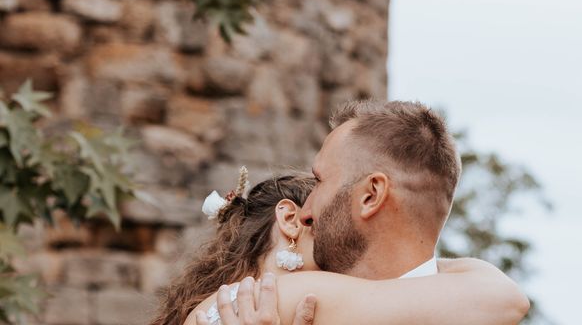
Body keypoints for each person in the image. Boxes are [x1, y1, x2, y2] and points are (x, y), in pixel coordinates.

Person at [160, 100, 530, 325]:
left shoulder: (287, 300)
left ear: (371, 195)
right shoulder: (268, 305)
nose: (307, 212)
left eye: (320, 182)